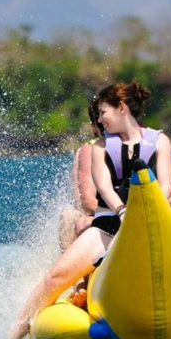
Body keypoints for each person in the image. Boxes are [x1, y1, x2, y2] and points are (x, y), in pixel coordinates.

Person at [1, 81, 171, 339]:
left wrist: (147, 209)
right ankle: (16, 332)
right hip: (112, 222)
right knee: (55, 278)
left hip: (154, 215)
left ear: (122, 108)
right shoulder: (101, 147)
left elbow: (165, 185)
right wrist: (123, 210)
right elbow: (103, 187)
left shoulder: (160, 141)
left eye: (103, 112)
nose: (99, 120)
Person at [58, 100, 103, 250]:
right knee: (69, 217)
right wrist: (121, 212)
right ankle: (71, 269)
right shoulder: (88, 150)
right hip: (94, 214)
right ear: (94, 128)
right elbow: (87, 202)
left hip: (123, 211)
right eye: (101, 124)